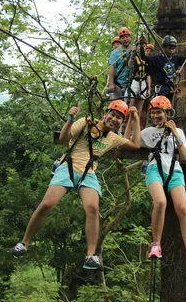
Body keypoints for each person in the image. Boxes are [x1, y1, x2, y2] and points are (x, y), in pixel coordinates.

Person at [10, 100, 142, 270]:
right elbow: (65, 139)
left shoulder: (113, 138)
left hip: (89, 173)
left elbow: (136, 144)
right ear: (105, 114)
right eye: (113, 115)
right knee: (47, 204)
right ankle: (24, 242)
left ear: (121, 123)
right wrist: (70, 118)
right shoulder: (86, 121)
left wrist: (136, 118)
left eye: (119, 118)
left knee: (93, 208)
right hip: (68, 166)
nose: (115, 119)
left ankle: (90, 255)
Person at [141, 96, 186, 269]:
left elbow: (184, 155)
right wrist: (133, 119)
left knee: (182, 208)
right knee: (160, 202)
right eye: (153, 113)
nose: (156, 116)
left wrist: (175, 132)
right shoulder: (147, 133)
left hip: (174, 169)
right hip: (155, 168)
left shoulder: (179, 132)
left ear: (167, 113)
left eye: (159, 112)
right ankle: (156, 244)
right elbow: (132, 142)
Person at [146, 35, 186, 103]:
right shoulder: (156, 59)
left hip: (171, 87)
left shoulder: (176, 59)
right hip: (161, 87)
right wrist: (141, 47)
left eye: (173, 48)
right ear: (164, 48)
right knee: (160, 104)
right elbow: (144, 58)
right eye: (169, 48)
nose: (171, 51)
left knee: (172, 102)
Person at [128, 37, 152, 129]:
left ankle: (136, 127)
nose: (141, 47)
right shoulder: (134, 56)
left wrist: (149, 88)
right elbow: (129, 65)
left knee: (140, 106)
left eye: (143, 45)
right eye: (139, 45)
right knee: (132, 102)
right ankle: (127, 125)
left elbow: (149, 74)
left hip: (143, 83)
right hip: (135, 81)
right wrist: (132, 54)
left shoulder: (147, 59)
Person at [107, 27, 133, 101]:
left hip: (131, 84)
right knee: (116, 107)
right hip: (118, 83)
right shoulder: (115, 52)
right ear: (120, 40)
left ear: (130, 38)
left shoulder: (134, 50)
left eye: (127, 37)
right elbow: (112, 67)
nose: (125, 39)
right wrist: (111, 84)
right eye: (123, 38)